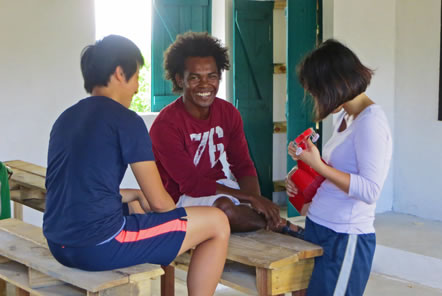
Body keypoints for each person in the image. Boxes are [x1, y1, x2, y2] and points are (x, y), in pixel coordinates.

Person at [43, 35, 230, 296]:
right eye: (137, 76)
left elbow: (71, 187)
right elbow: (160, 203)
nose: (137, 86)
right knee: (217, 222)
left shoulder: (66, 118)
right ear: (120, 73)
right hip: (98, 246)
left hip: (59, 243)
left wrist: (132, 195)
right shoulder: (125, 120)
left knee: (133, 203)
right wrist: (184, 224)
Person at [149, 32, 302, 236]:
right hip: (181, 199)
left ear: (219, 76)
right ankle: (278, 224)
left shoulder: (228, 113)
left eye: (212, 76)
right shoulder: (165, 125)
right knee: (224, 209)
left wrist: (253, 201)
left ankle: (261, 220)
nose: (205, 85)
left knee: (228, 204)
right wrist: (251, 199)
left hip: (220, 188)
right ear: (180, 79)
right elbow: (192, 184)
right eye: (194, 78)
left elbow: (243, 165)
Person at [286, 39, 393, 296]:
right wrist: (304, 173)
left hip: (345, 239)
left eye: (316, 91)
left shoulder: (371, 123)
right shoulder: (346, 116)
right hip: (320, 227)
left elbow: (369, 190)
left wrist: (319, 167)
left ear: (335, 84)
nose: (315, 99)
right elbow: (338, 176)